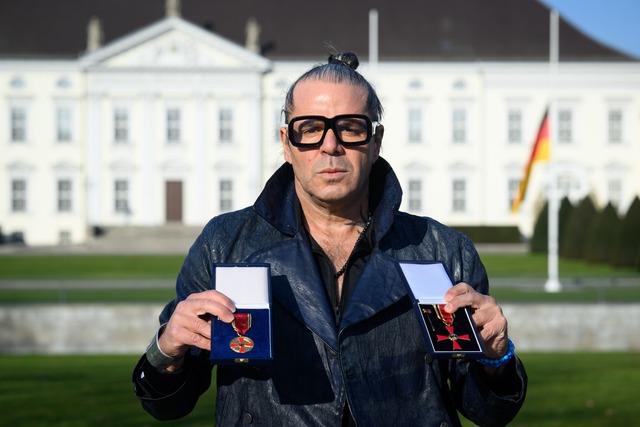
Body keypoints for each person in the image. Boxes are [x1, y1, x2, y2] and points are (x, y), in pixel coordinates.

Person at [132, 51, 527, 426]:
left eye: (350, 128)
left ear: (376, 142)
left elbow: (488, 412)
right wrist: (167, 349)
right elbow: (167, 405)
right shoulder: (225, 244)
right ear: (287, 144)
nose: (330, 145)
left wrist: (495, 358)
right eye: (311, 129)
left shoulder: (442, 251)